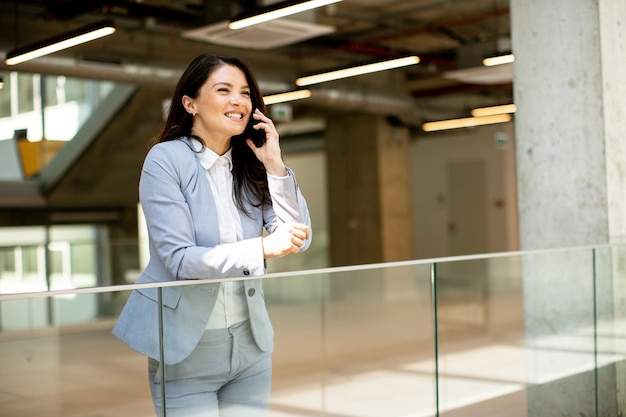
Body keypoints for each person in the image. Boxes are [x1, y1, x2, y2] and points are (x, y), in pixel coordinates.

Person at [112, 53, 312, 417]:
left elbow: (301, 236)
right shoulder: (165, 160)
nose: (238, 101)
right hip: (186, 349)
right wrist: (263, 247)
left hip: (250, 346)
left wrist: (275, 165)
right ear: (190, 103)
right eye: (223, 90)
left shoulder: (253, 165)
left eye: (245, 93)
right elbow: (180, 259)